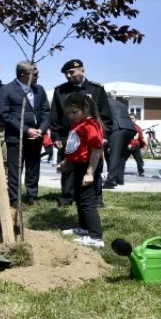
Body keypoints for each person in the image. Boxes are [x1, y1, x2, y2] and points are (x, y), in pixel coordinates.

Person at [50, 59, 113, 208]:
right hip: (68, 135)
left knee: (94, 165)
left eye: (71, 72)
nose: (69, 76)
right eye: (66, 73)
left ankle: (96, 198)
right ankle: (67, 197)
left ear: (82, 71)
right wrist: (56, 136)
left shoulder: (96, 89)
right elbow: (55, 116)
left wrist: (104, 137)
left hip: (91, 135)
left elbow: (106, 115)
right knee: (68, 168)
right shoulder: (60, 91)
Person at [0, 61, 51, 208]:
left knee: (33, 167)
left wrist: (41, 129)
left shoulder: (39, 89)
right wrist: (25, 129)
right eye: (35, 74)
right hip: (16, 137)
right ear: (23, 75)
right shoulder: (7, 90)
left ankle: (32, 196)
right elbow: (4, 114)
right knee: (15, 168)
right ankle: (15, 199)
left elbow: (46, 112)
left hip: (36, 136)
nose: (38, 76)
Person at [58, 93, 105, 248]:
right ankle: (84, 228)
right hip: (77, 166)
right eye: (69, 113)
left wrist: (90, 173)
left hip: (88, 167)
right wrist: (65, 161)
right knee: (79, 198)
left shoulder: (91, 125)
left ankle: (96, 237)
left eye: (75, 112)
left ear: (85, 108)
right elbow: (73, 146)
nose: (71, 116)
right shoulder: (77, 124)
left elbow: (96, 151)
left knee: (87, 202)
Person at [103, 96, 137, 189]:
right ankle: (119, 179)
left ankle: (110, 181)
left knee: (113, 154)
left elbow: (104, 120)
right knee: (121, 155)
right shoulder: (120, 104)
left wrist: (105, 137)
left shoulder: (103, 102)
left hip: (118, 127)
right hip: (130, 129)